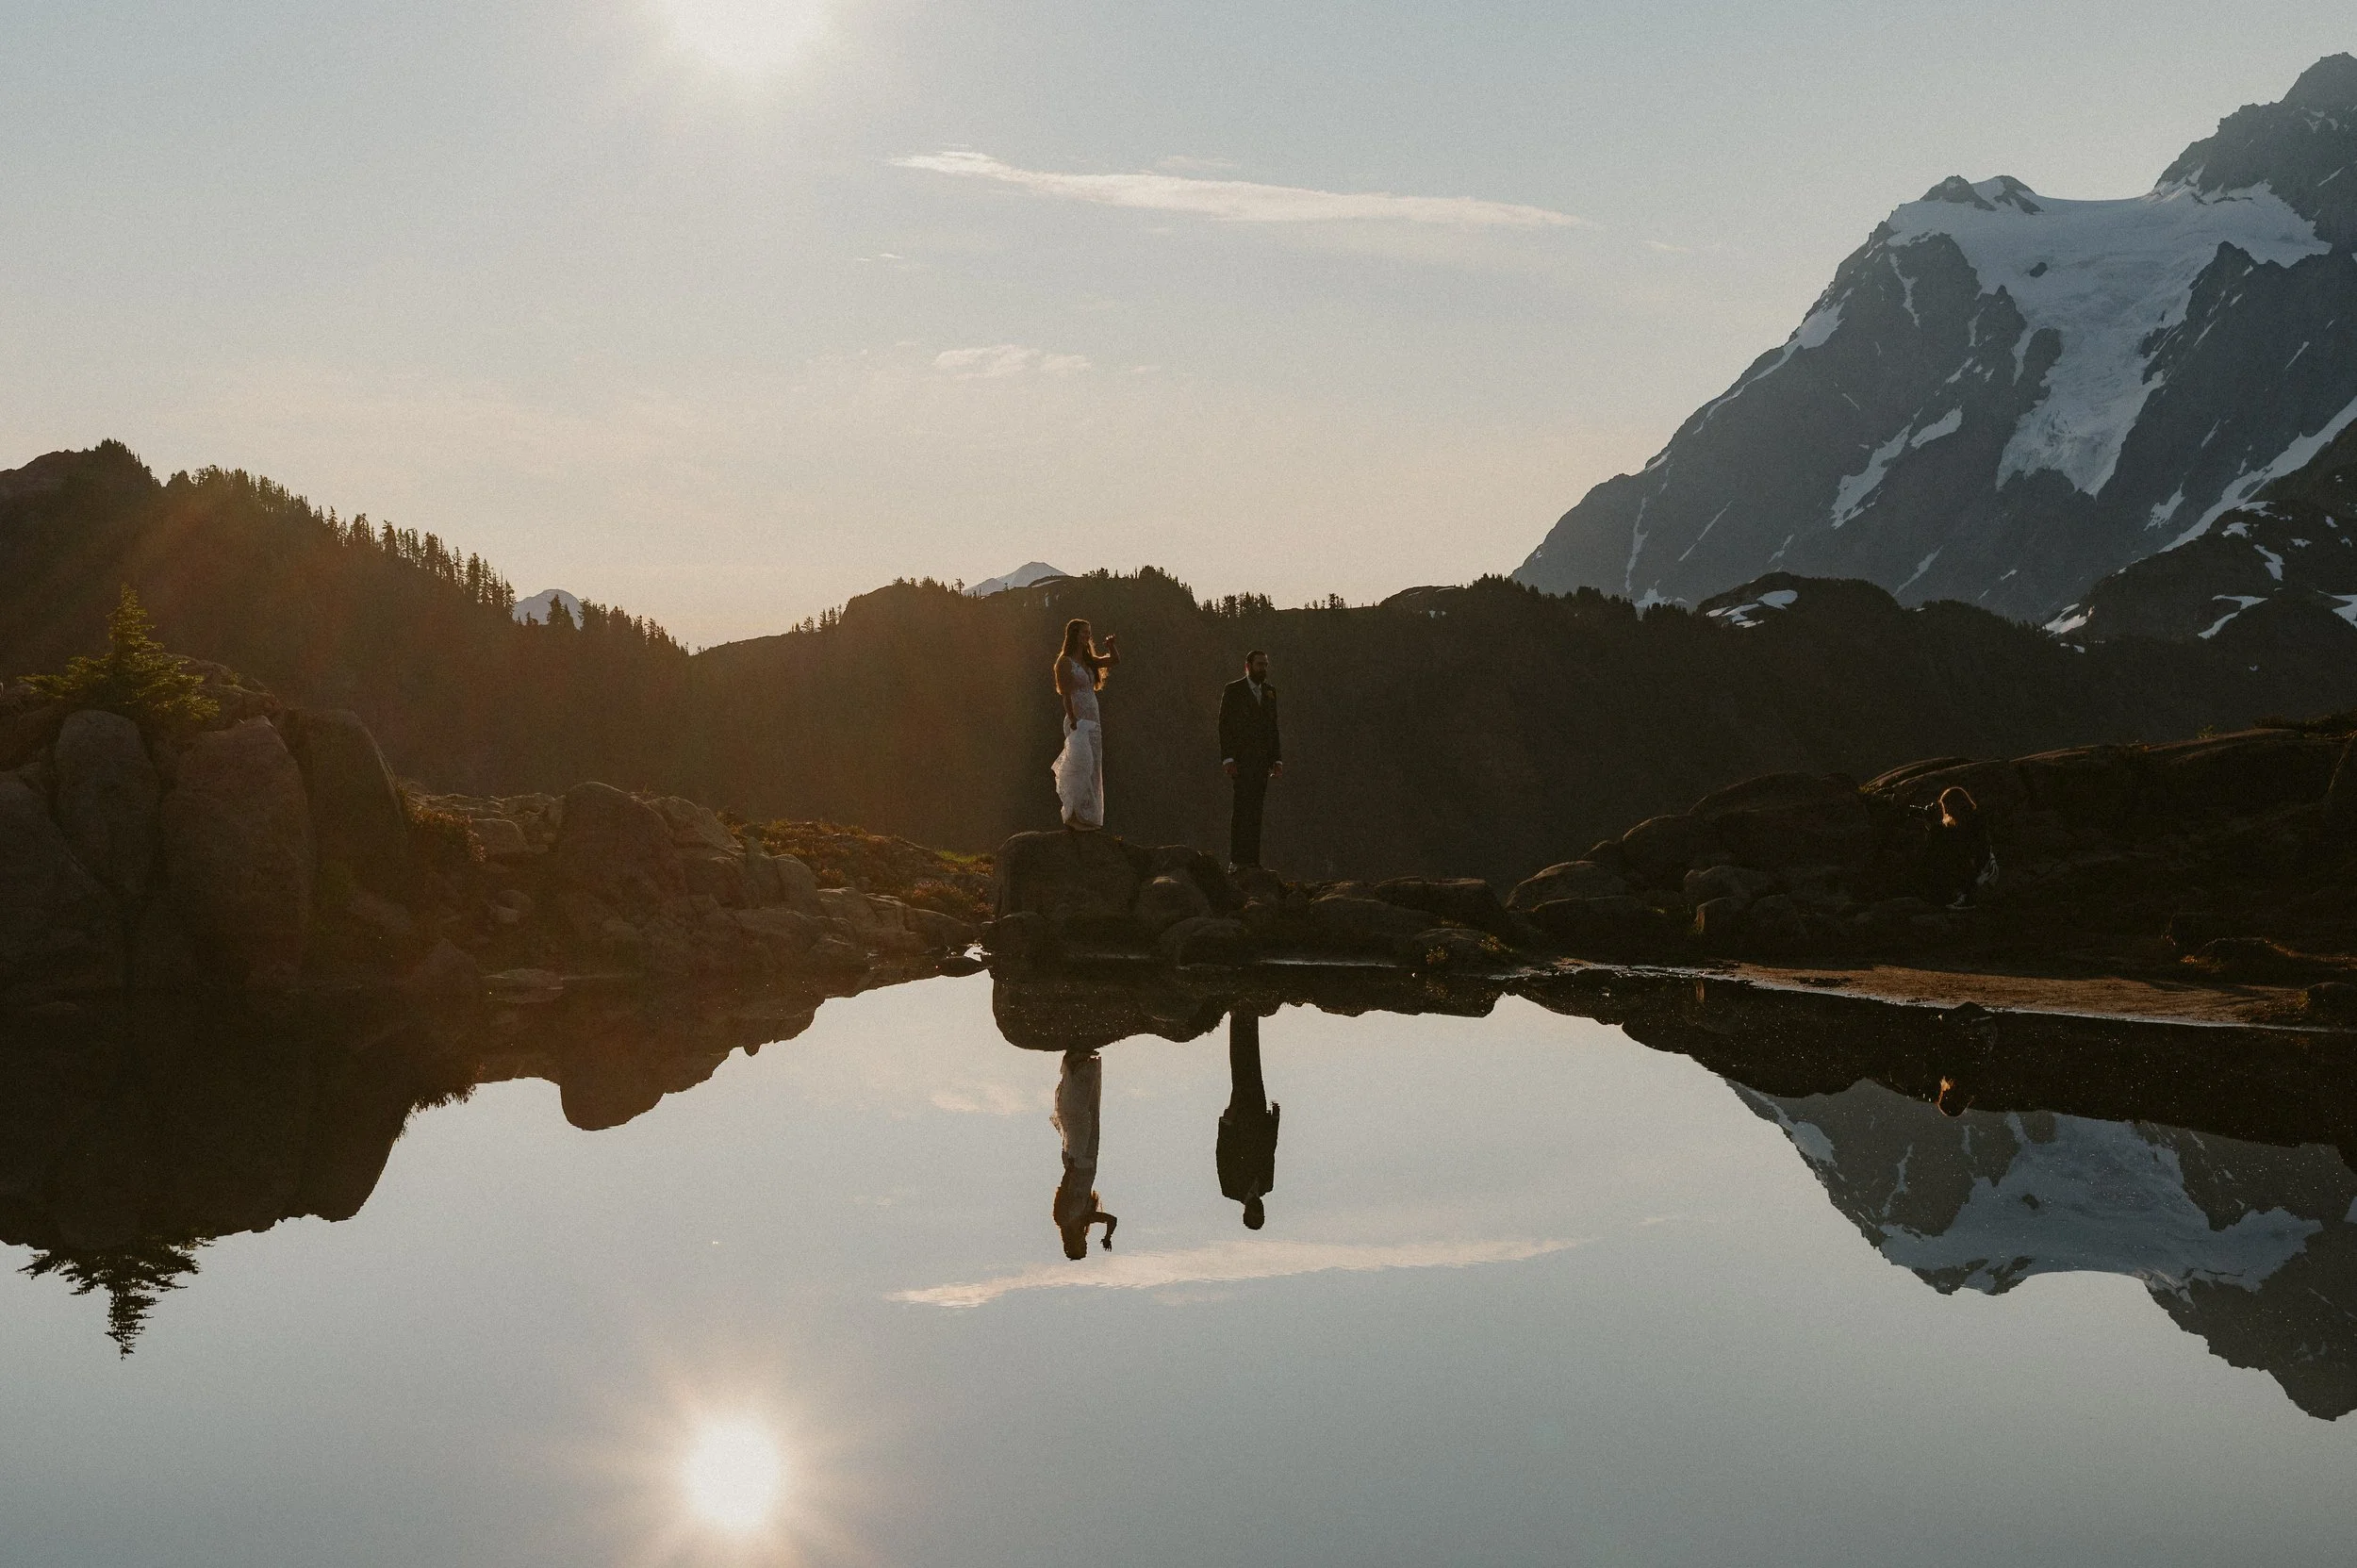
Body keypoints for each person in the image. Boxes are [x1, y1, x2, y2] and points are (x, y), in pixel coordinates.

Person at [1217, 649, 1282, 870]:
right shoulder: (1233, 690)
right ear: (1248, 666)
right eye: (1259, 665)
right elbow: (1224, 726)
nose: (1263, 669)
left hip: (1262, 761)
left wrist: (1277, 758)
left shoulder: (1270, 692)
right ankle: (1237, 860)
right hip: (1242, 760)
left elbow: (1273, 727)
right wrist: (1228, 758)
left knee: (1256, 811)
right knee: (1241, 809)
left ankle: (1253, 861)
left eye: (1265, 665)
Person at [1050, 1048, 1118, 1259]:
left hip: (1075, 1163)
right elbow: (1112, 1219)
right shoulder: (1085, 1219)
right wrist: (1108, 1237)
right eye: (1085, 1247)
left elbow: (1064, 1190)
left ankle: (1073, 1066)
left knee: (1078, 1119)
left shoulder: (1063, 1219)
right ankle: (1087, 1065)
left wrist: (1070, 1167)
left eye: (1081, 1247)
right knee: (1090, 1116)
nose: (1084, 1243)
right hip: (1088, 1164)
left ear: (1072, 1244)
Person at [1051, 619, 1119, 831]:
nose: (1087, 637)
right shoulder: (1065, 662)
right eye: (1083, 633)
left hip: (1093, 720)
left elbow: (1113, 661)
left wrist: (1110, 646)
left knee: (1094, 767)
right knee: (1080, 766)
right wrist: (1072, 719)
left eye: (1089, 633)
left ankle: (1090, 817)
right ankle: (1075, 815)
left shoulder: (1088, 660)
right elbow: (1065, 693)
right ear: (1073, 635)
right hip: (1077, 720)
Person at [1216, 1010, 1280, 1229]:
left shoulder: (1230, 1189)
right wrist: (1275, 1119)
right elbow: (1270, 1150)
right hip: (1259, 1115)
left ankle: (1237, 1016)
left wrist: (1226, 1122)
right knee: (1253, 1065)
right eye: (1260, 1217)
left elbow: (1222, 1154)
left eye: (1254, 1216)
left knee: (1240, 1069)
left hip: (1240, 1119)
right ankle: (1250, 1016)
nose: (1258, 1212)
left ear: (1245, 1214)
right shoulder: (1267, 1184)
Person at [1915, 786, 1996, 909]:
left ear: (1958, 804)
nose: (1946, 812)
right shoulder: (1967, 822)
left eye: (1947, 806)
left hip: (1971, 869)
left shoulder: (1974, 822)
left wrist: (1934, 829)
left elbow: (1966, 846)